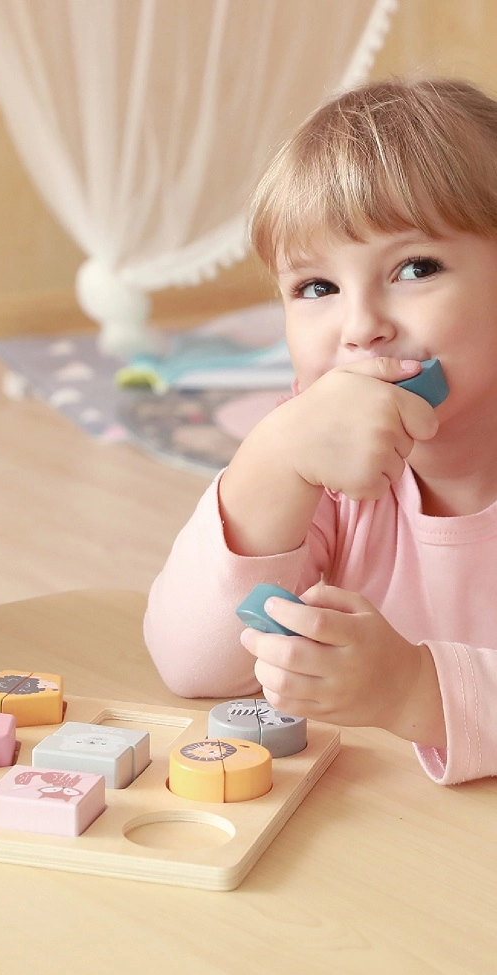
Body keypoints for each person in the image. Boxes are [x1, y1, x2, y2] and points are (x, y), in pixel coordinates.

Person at [144, 77, 497, 786]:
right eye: (317, 288)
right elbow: (194, 663)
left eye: (414, 268)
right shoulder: (327, 467)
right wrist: (271, 461)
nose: (361, 327)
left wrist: (416, 692)